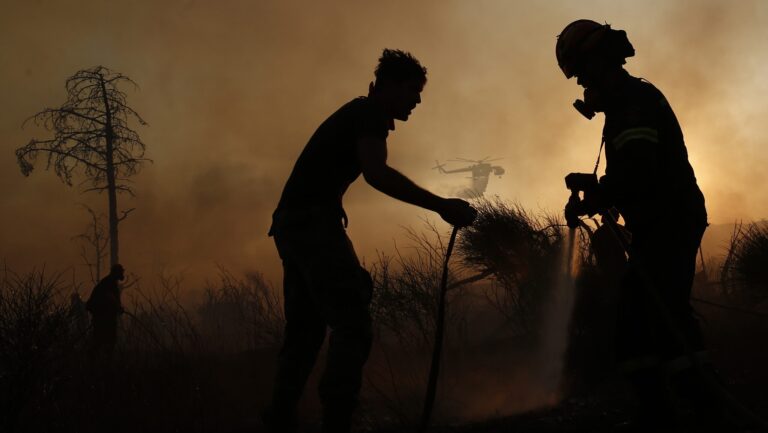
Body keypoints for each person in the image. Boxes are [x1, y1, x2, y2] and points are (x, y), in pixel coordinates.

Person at [264, 49, 477, 433]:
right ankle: (338, 420)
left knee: (306, 333)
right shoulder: (369, 115)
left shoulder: (357, 111)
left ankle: (280, 419)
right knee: (352, 323)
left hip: (291, 226)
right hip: (312, 226)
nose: (418, 100)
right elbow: (376, 174)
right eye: (413, 90)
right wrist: (441, 205)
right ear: (390, 86)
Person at [556, 20, 717, 431]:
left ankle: (699, 410)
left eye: (582, 75)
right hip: (658, 222)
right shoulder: (625, 105)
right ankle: (668, 411)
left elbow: (639, 173)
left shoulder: (633, 104)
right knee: (642, 320)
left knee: (659, 317)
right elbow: (634, 170)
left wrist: (596, 197)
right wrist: (595, 187)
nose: (582, 87)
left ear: (598, 63)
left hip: (670, 222)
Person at [86, 264, 125, 359]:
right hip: (103, 316)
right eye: (121, 272)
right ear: (116, 273)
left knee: (103, 340)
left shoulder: (109, 282)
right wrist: (118, 307)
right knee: (105, 340)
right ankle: (98, 361)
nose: (122, 274)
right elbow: (110, 298)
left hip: (103, 315)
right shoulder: (109, 283)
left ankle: (98, 360)